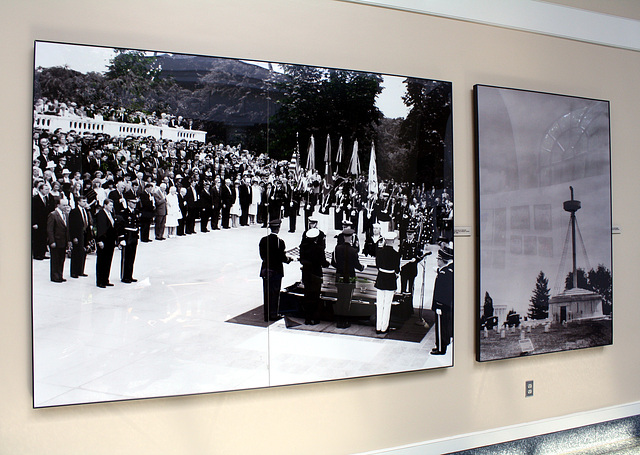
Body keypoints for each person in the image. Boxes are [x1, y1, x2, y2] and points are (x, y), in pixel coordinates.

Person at [258, 219, 292, 322]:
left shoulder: (263, 240)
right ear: (278, 229)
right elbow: (282, 257)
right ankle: (273, 314)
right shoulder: (280, 242)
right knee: (275, 293)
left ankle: (266, 315)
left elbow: (262, 255)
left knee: (267, 292)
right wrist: (289, 260)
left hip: (266, 269)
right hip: (276, 270)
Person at [331, 228, 364, 329]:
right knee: (347, 300)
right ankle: (345, 321)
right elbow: (357, 265)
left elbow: (333, 262)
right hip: (350, 278)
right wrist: (362, 267)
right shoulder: (353, 250)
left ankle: (339, 321)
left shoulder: (337, 248)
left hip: (340, 276)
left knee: (340, 298)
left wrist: (339, 267)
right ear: (351, 238)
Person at [299, 227, 329, 325]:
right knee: (316, 296)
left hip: (306, 274)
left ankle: (307, 318)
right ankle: (315, 318)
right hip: (316, 274)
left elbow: (301, 260)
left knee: (307, 295)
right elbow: (323, 262)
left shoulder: (303, 247)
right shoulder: (319, 249)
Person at [374, 231, 401, 334]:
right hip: (390, 279)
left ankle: (378, 327)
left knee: (379, 303)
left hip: (381, 278)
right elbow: (397, 269)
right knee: (387, 304)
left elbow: (377, 265)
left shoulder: (380, 252)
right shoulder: (396, 254)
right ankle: (384, 327)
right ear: (393, 241)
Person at [431, 245, 454, 355]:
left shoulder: (444, 273)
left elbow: (441, 292)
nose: (437, 261)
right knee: (446, 326)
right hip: (448, 305)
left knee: (441, 327)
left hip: (442, 305)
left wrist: (438, 305)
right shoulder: (450, 270)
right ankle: (444, 343)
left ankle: (440, 348)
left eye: (438, 259)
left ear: (442, 260)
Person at [46, 197, 71, 283]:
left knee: (61, 259)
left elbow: (67, 229)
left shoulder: (66, 215)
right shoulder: (53, 215)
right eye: (63, 205)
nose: (65, 207)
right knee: (55, 259)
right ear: (58, 205)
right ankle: (54, 276)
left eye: (66, 205)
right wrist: (52, 241)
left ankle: (60, 275)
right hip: (56, 240)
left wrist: (68, 241)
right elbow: (50, 229)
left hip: (63, 241)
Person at [68, 194, 92, 278]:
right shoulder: (74, 211)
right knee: (76, 253)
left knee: (83, 252)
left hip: (84, 234)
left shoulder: (85, 211)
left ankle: (80, 270)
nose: (85, 203)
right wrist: (73, 237)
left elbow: (87, 223)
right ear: (78, 202)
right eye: (83, 201)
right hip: (77, 235)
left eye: (86, 201)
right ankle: (74, 271)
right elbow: (72, 225)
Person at [95, 198, 117, 288]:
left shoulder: (111, 214)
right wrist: (99, 240)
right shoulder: (101, 214)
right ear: (105, 205)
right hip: (103, 240)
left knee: (108, 260)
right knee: (101, 261)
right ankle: (100, 281)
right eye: (110, 205)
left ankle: (106, 279)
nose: (112, 207)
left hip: (110, 241)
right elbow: (100, 228)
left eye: (112, 205)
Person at [119, 195, 140, 283]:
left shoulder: (135, 212)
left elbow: (137, 225)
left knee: (132, 257)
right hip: (127, 236)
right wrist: (121, 238)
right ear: (128, 203)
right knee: (126, 258)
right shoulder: (124, 213)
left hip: (134, 236)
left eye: (135, 203)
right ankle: (124, 276)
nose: (134, 205)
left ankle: (129, 275)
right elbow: (121, 226)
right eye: (133, 203)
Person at [32, 181, 55, 260]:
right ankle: (37, 254)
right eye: (45, 189)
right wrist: (34, 222)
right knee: (38, 237)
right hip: (38, 222)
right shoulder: (35, 199)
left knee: (44, 237)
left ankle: (42, 253)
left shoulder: (48, 198)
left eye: (48, 189)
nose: (47, 190)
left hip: (46, 221)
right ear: (40, 189)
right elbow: (33, 211)